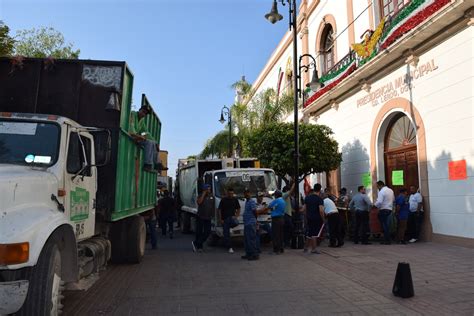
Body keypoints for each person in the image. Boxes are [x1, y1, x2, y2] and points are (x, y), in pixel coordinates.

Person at [129, 105, 166, 173]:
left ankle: (157, 164)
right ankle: (147, 164)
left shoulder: (142, 121)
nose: (143, 114)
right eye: (143, 112)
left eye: (145, 114)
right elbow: (131, 128)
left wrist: (155, 142)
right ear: (139, 110)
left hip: (137, 137)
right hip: (131, 136)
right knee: (149, 143)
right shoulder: (132, 114)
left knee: (152, 143)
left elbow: (145, 132)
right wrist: (139, 136)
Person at [242, 189, 268, 260]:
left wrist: (255, 220)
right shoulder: (247, 202)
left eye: (248, 193)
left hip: (251, 223)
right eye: (245, 193)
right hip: (247, 223)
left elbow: (255, 212)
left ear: (250, 194)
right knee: (247, 240)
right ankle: (248, 254)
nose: (246, 195)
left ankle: (255, 255)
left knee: (251, 239)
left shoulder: (251, 202)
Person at [302, 184, 325, 254]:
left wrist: (306, 216)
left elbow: (304, 209)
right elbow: (321, 210)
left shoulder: (307, 198)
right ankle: (314, 248)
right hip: (317, 218)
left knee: (310, 233)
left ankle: (306, 248)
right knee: (314, 233)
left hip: (309, 217)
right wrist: (323, 219)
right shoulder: (319, 199)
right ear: (320, 190)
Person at [192, 184, 214, 253]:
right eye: (207, 189)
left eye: (209, 189)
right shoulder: (200, 195)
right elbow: (199, 202)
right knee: (199, 232)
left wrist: (213, 214)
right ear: (204, 190)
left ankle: (196, 243)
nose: (209, 190)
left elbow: (213, 206)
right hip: (200, 216)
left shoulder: (211, 196)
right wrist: (203, 194)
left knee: (207, 232)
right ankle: (199, 247)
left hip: (208, 217)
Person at [218, 188, 240, 254]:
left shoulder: (235, 200)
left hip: (232, 218)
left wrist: (236, 216)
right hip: (225, 218)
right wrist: (220, 219)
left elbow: (238, 208)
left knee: (236, 222)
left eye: (232, 194)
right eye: (230, 193)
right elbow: (219, 210)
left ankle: (230, 227)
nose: (231, 195)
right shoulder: (223, 200)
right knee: (226, 234)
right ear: (227, 193)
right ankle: (229, 247)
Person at [265, 190, 286, 254]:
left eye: (274, 195)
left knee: (275, 234)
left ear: (276, 195)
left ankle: (276, 249)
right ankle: (281, 248)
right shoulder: (283, 201)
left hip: (276, 219)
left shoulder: (276, 201)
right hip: (282, 218)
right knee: (281, 234)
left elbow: (269, 206)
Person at [374, 180, 395, 245]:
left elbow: (379, 202)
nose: (377, 188)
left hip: (383, 210)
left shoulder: (381, 191)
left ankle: (386, 240)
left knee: (384, 226)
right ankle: (388, 239)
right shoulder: (391, 190)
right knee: (387, 225)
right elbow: (393, 199)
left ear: (381, 185)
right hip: (389, 209)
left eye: (377, 186)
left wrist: (374, 205)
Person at [282, 183, 296, 248]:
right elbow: (290, 191)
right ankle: (286, 243)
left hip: (288, 214)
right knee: (290, 229)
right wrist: (294, 184)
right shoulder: (284, 195)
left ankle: (286, 243)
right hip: (286, 215)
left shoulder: (287, 197)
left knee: (287, 230)